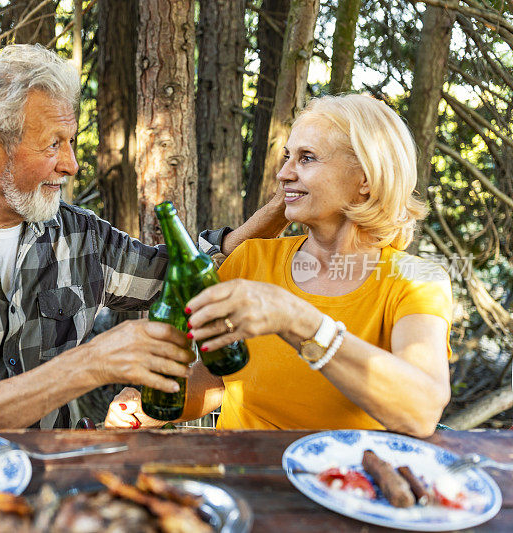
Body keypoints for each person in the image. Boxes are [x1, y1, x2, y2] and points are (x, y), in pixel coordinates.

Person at [0, 44, 286, 431]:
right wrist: (92, 363)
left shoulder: (81, 236)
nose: (71, 165)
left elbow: (191, 273)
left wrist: (285, 206)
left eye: (72, 142)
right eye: (53, 145)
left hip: (50, 481)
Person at [105, 94, 452, 438]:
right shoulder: (251, 259)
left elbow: (420, 411)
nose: (284, 173)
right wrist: (156, 407)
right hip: (242, 477)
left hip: (344, 484)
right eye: (287, 157)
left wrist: (300, 322)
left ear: (365, 178)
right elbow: (219, 378)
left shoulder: (415, 282)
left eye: (307, 158)